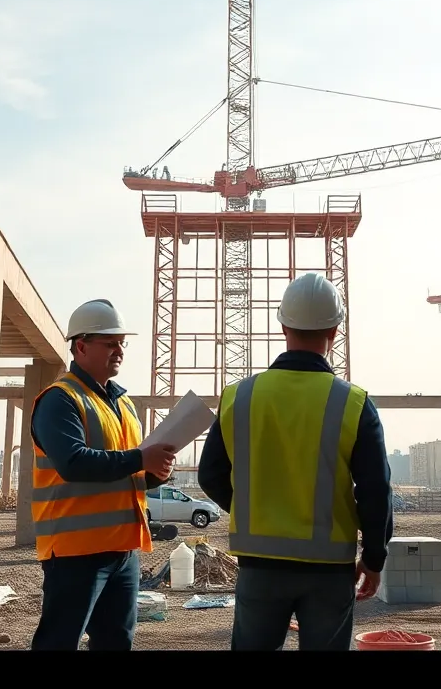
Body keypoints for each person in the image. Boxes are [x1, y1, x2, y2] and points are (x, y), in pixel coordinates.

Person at [198, 272, 394, 651]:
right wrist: (373, 557)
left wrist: (253, 509)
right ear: (335, 330)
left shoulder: (239, 396)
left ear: (283, 325)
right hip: (329, 569)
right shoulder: (352, 403)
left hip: (260, 566)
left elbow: (211, 475)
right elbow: (375, 490)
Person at [27, 299, 178, 651]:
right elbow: (74, 463)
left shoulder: (124, 405)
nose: (120, 350)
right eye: (110, 343)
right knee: (59, 641)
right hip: (76, 553)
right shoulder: (59, 399)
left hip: (123, 551)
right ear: (80, 346)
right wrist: (141, 456)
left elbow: (126, 472)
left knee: (116, 641)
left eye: (122, 343)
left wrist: (155, 471)